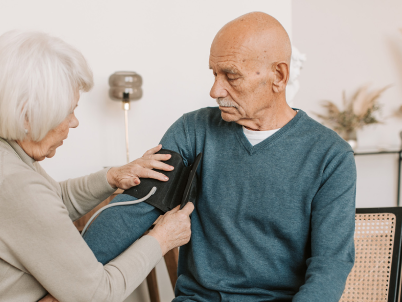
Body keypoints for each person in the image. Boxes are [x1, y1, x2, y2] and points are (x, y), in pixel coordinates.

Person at [83, 12, 356, 301]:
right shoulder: (192, 131)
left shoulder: (331, 156)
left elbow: (330, 267)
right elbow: (134, 209)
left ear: (278, 76)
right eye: (214, 73)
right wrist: (66, 279)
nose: (215, 90)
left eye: (231, 75)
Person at [0, 30, 194, 302]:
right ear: (29, 115)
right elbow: (98, 294)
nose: (74, 122)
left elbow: (51, 200)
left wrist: (111, 177)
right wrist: (162, 238)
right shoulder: (10, 184)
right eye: (68, 112)